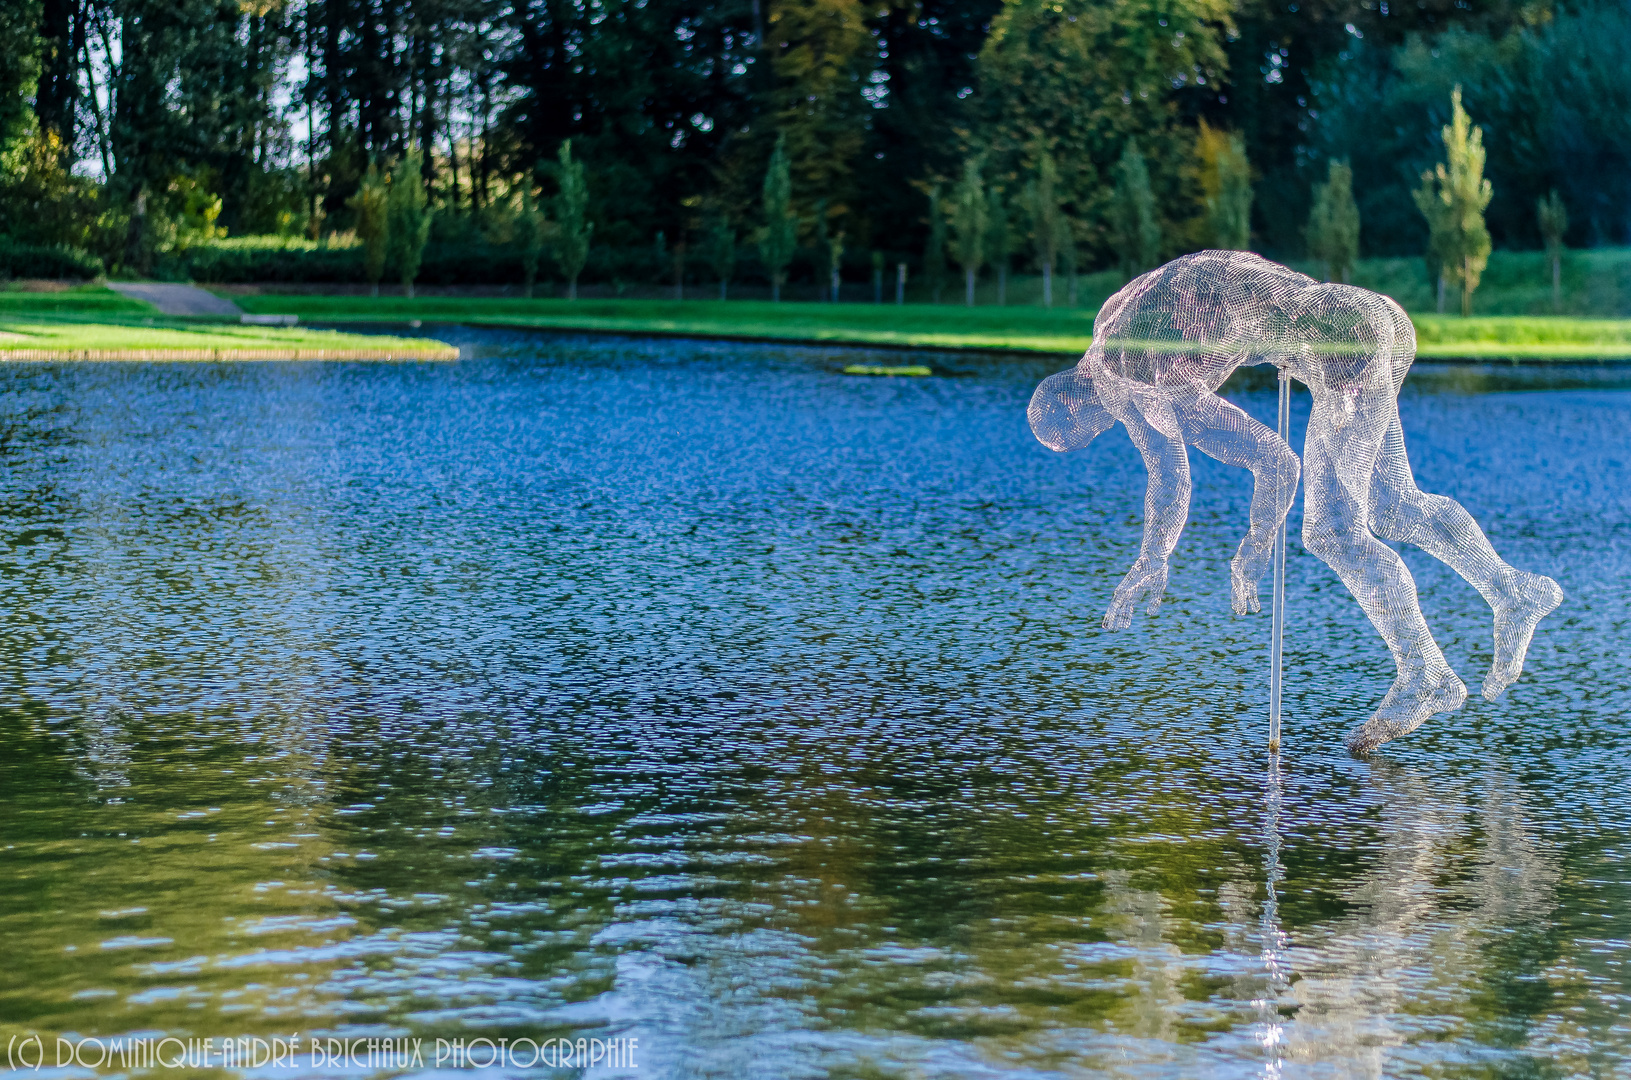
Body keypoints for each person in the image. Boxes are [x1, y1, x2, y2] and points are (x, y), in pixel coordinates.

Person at [1028, 251, 1562, 754]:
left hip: (1343, 344)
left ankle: (1425, 675)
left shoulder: (1123, 374)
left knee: (1333, 532)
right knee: (1394, 505)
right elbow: (1245, 290)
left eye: (1096, 429)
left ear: (1079, 402)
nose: (1114, 425)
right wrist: (1277, 337)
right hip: (1368, 317)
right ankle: (1512, 591)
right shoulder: (1112, 320)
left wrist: (1155, 558)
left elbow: (1187, 475)